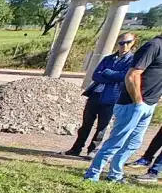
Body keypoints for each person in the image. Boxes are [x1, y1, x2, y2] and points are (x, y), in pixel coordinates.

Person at [85, 32, 162, 184]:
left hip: (149, 104)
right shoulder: (154, 46)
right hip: (133, 104)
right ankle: (92, 175)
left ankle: (115, 175)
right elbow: (132, 75)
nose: (124, 45)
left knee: (133, 143)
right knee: (117, 141)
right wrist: (138, 101)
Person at [64, 34, 136, 157]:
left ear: (133, 43)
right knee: (86, 124)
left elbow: (124, 77)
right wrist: (111, 76)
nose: (124, 45)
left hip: (112, 97)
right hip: (95, 94)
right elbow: (95, 75)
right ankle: (76, 149)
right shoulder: (108, 58)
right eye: (121, 42)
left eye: (128, 42)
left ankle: (92, 151)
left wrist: (107, 72)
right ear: (117, 43)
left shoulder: (132, 60)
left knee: (102, 127)